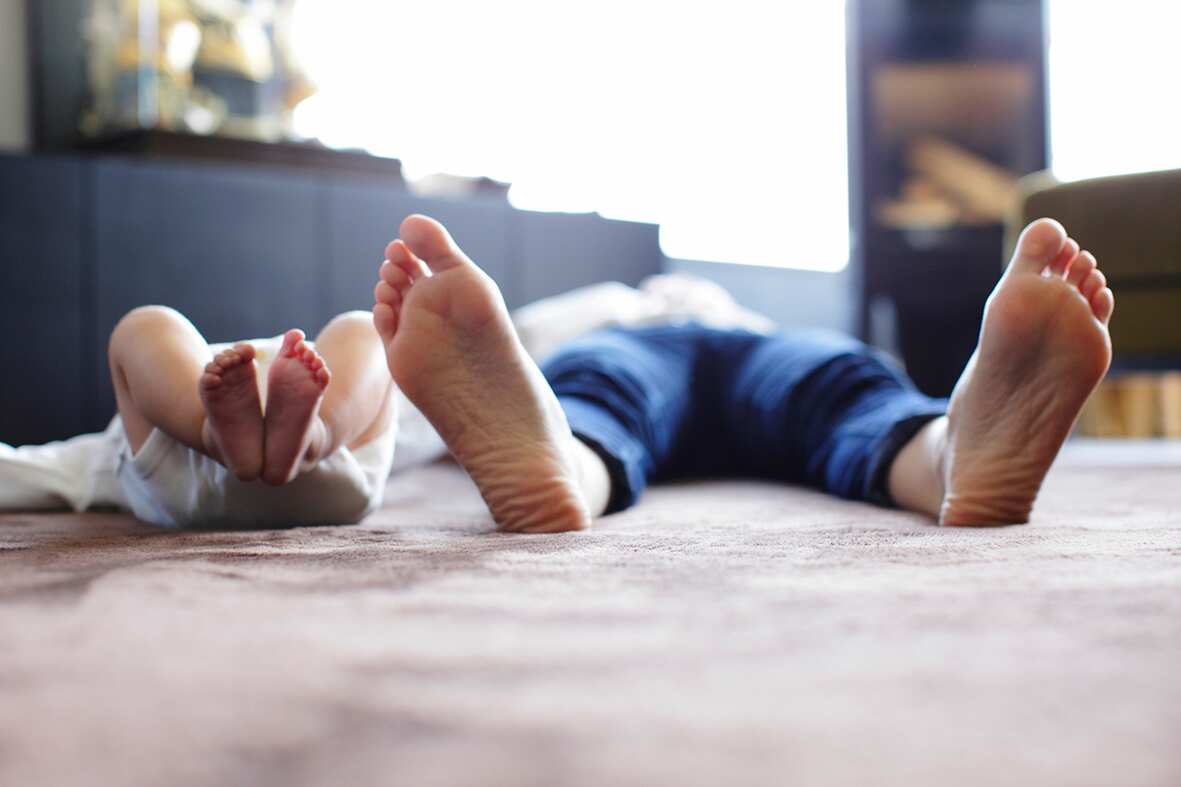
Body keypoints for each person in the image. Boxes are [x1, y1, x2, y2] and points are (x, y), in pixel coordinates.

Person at [372, 214, 1114, 533]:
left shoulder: (626, 313)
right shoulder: (601, 309)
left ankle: (959, 457)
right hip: (664, 347)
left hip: (733, 349)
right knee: (834, 389)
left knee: (837, 385)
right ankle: (942, 461)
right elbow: (495, 357)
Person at [96, 309, 396, 528]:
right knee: (367, 329)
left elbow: (67, 469)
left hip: (184, 484)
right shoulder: (317, 363)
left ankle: (209, 432)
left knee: (142, 326)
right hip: (337, 476)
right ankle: (318, 434)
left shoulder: (157, 397)